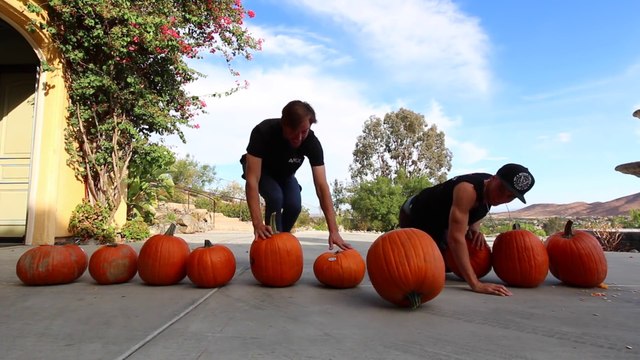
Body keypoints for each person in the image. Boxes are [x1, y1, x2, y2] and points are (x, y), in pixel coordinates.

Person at [398, 163, 535, 296]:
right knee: (421, 270)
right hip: (414, 216)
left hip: (441, 224)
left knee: (450, 264)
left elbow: (480, 208)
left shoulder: (489, 189)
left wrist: (475, 229)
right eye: (500, 189)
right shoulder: (467, 190)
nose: (502, 198)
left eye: (510, 196)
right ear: (493, 178)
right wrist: (475, 284)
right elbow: (455, 239)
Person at [241, 100, 351, 250]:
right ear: (284, 125)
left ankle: (280, 243)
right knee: (275, 197)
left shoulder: (312, 143)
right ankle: (269, 247)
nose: (299, 138)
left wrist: (334, 231)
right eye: (294, 132)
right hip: (262, 172)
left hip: (286, 175)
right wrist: (257, 224)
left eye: (304, 131)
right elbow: (252, 180)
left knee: (294, 205)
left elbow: (321, 186)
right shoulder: (263, 131)